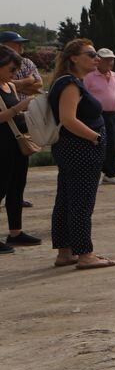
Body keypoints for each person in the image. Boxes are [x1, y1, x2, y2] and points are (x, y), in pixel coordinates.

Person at [47, 39, 115, 270]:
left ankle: (65, 252)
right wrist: (94, 137)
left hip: (71, 150)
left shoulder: (70, 82)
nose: (96, 58)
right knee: (81, 203)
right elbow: (68, 119)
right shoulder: (70, 84)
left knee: (66, 201)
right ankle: (85, 254)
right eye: (90, 54)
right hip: (80, 150)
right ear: (74, 58)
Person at [1, 47, 40, 254]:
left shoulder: (10, 86)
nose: (15, 73)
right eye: (11, 68)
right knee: (1, 187)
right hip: (1, 144)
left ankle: (15, 231)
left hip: (16, 142)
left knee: (17, 186)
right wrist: (20, 107)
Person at [84, 48, 115, 185]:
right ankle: (93, 174)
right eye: (107, 59)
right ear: (98, 60)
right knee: (96, 144)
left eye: (112, 59)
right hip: (95, 115)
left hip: (112, 115)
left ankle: (111, 173)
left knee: (111, 144)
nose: (110, 62)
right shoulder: (89, 76)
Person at [0, 31, 43, 96]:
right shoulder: (2, 63)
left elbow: (39, 85)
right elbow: (4, 85)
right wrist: (28, 81)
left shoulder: (27, 62)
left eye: (21, 43)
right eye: (17, 43)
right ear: (4, 45)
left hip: (27, 105)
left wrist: (14, 87)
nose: (21, 46)